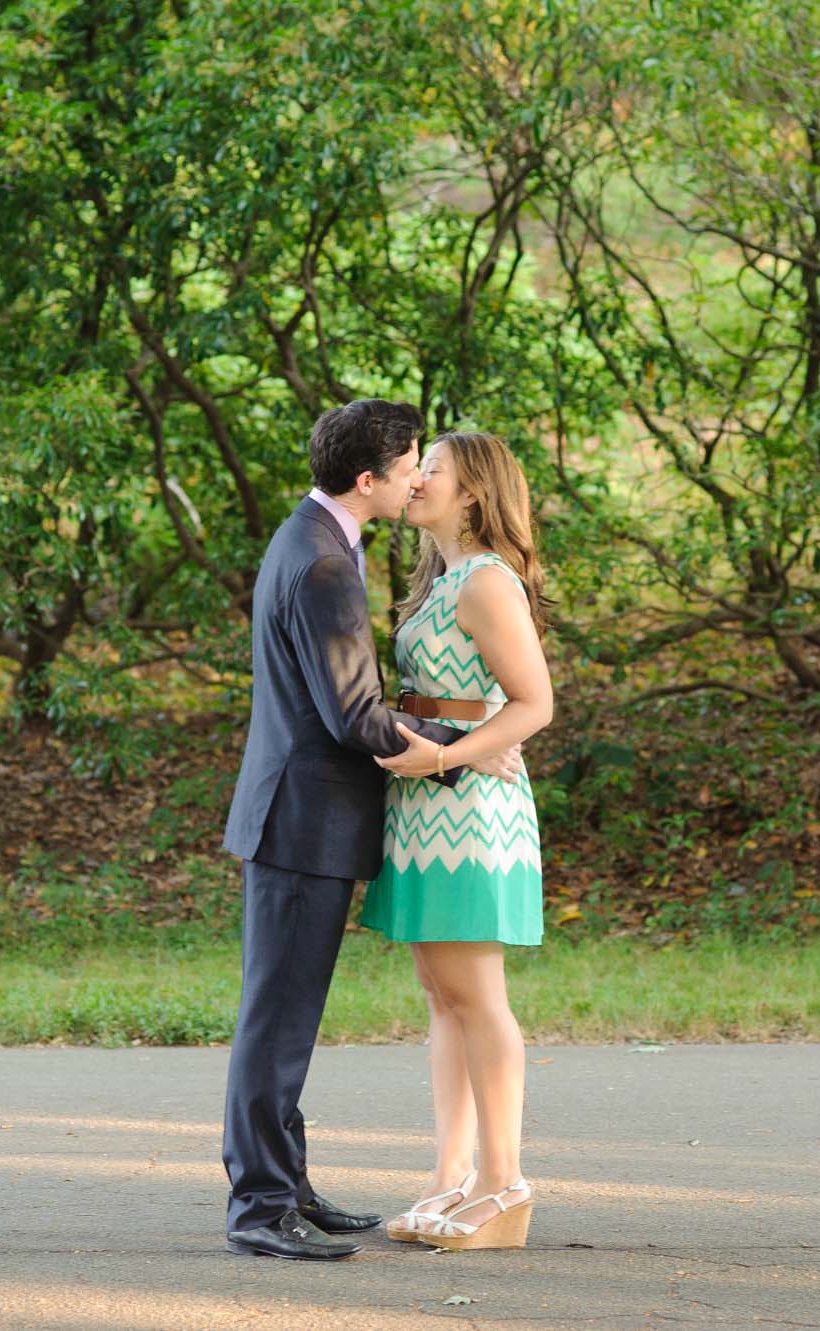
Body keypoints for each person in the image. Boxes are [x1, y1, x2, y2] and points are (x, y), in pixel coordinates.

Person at [219, 400, 524, 1261]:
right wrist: (463, 745)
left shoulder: (314, 540)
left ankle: (287, 1184)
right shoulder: (323, 563)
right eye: (410, 465)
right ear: (369, 479)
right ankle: (261, 1207)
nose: (418, 476)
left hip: (300, 817)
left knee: (285, 1018)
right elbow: (355, 716)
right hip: (299, 822)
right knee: (276, 1023)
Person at [361, 431, 553, 1251]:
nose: (414, 480)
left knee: (478, 996)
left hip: (472, 810)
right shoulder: (438, 580)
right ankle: (454, 1176)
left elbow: (533, 702)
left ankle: (506, 1185)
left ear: (472, 491)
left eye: (429, 468)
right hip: (424, 809)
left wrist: (446, 752)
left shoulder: (485, 581)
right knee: (443, 996)